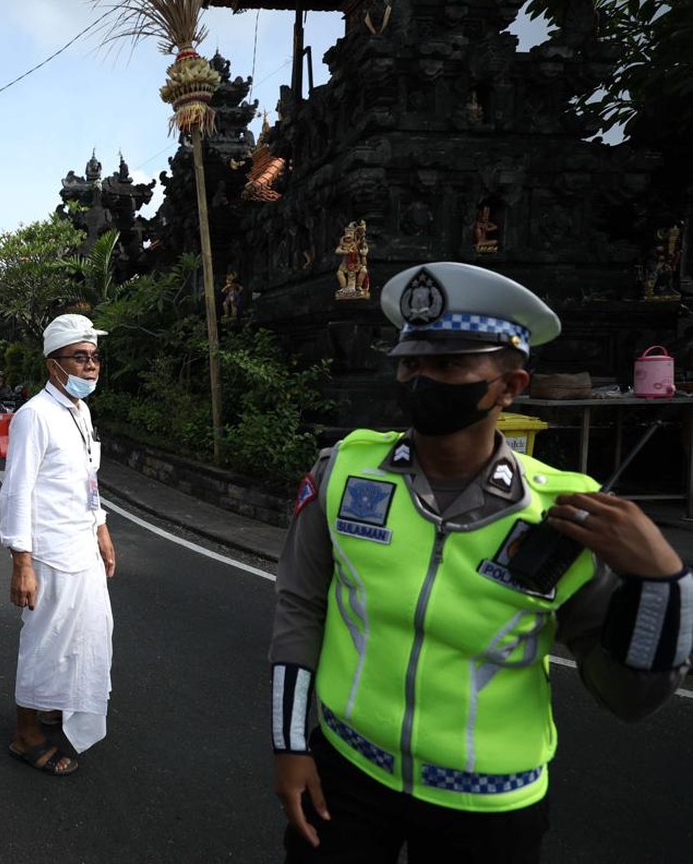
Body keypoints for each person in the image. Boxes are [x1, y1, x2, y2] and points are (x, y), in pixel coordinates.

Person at [271, 261, 692, 862]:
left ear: (509, 386)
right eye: (411, 363)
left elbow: (629, 697)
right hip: (347, 772)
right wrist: (290, 745)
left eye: (447, 366)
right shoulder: (343, 471)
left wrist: (664, 583)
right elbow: (298, 607)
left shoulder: (565, 514)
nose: (421, 379)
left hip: (490, 807)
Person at [0, 313, 117, 776]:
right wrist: (21, 563)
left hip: (82, 545)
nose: (91, 365)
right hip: (48, 552)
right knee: (45, 641)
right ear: (54, 365)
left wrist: (101, 528)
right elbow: (16, 491)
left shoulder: (79, 411)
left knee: (88, 632)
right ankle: (25, 733)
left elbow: (87, 478)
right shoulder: (34, 416)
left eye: (95, 356)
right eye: (80, 357)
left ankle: (54, 702)